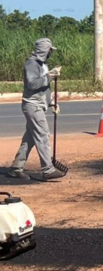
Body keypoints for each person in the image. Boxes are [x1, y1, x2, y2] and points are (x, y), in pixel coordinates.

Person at [7, 38, 64, 180]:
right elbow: (32, 84)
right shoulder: (31, 64)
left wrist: (52, 102)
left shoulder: (42, 64)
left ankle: (16, 167)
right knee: (43, 135)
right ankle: (47, 169)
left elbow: (44, 88)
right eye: (50, 50)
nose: (51, 53)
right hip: (32, 105)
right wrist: (49, 77)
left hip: (39, 103)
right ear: (45, 50)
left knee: (31, 137)